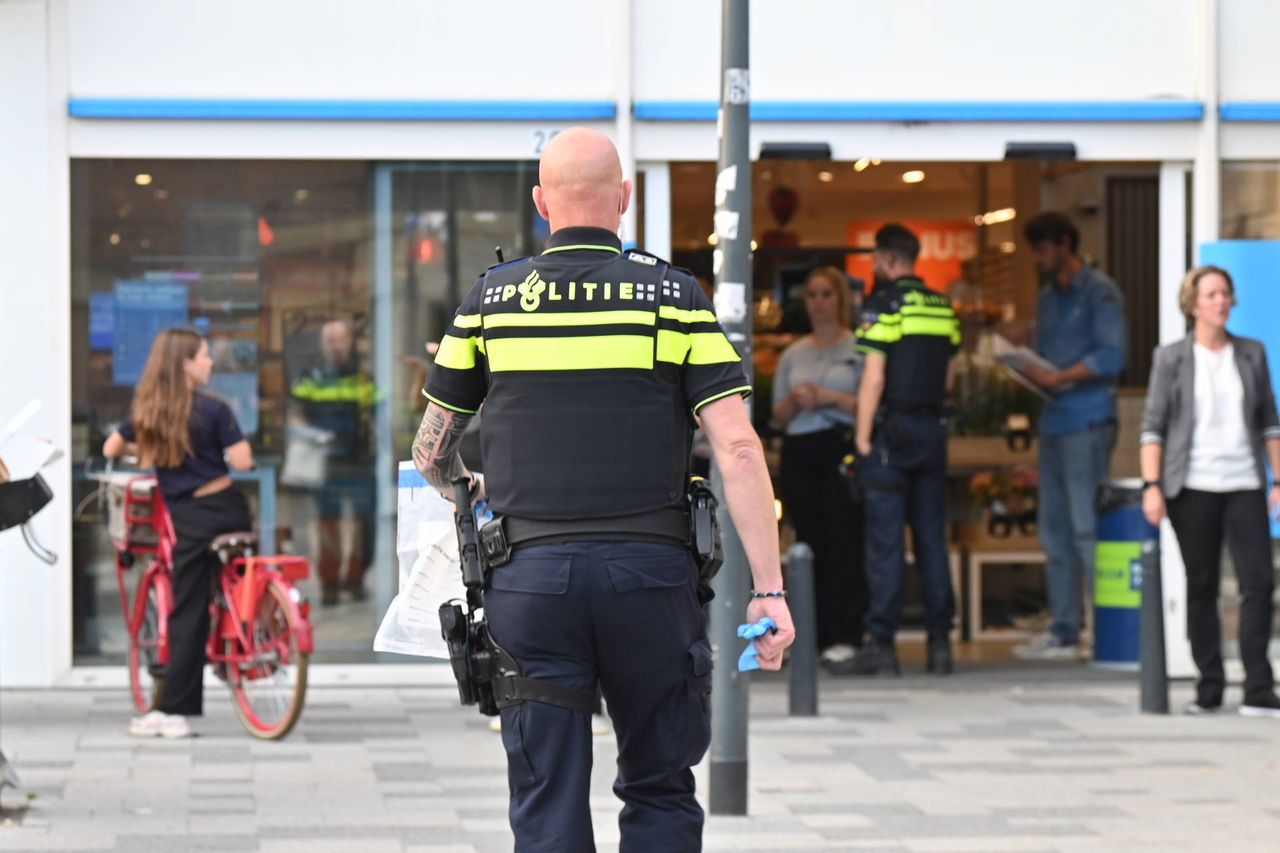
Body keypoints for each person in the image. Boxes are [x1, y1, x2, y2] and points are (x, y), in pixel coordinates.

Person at [412, 126, 794, 851]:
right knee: (660, 785)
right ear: (623, 198)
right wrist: (769, 589)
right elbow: (739, 448)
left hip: (531, 583)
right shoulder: (673, 298)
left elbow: (431, 450)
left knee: (547, 797)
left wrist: (468, 484)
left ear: (540, 203)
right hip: (650, 582)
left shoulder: (491, 303)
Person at [1140, 265, 1280, 717]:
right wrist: (1152, 486)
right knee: (1201, 586)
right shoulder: (1172, 358)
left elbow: (1269, 424)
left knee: (1258, 581)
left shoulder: (1252, 354)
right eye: (1212, 294)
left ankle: (1259, 686)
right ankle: (1210, 685)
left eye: (1226, 294)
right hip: (1192, 486)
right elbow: (1153, 427)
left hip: (1243, 483)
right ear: (1193, 304)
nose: (1221, 301)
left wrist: (1278, 479)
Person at [103, 328, 255, 739]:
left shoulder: (149, 414)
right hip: (231, 510)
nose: (209, 363)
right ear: (185, 363)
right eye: (204, 356)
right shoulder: (215, 409)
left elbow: (111, 449)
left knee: (187, 610)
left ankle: (173, 711)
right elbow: (242, 461)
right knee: (240, 577)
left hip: (189, 519)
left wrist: (146, 451)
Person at [834, 224, 960, 677]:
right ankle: (940, 643)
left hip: (892, 435)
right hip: (933, 434)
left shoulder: (885, 305)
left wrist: (864, 437)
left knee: (885, 546)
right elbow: (948, 378)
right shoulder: (943, 307)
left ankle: (882, 646)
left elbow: (874, 377)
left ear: (888, 259)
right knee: (931, 540)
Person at [1013, 212, 1126, 660]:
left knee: (1085, 527)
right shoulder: (1047, 297)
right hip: (1054, 420)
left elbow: (1113, 355)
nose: (1039, 259)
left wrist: (1059, 377)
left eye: (1042, 249)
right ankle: (1064, 628)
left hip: (1087, 418)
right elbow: (1049, 357)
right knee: (1054, 529)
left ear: (1064, 244)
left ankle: (1105, 627)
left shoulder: (1099, 291)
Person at [772, 266, 866, 665]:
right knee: (808, 542)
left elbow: (872, 407)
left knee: (845, 541)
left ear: (841, 300)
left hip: (841, 447)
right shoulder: (793, 353)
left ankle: (845, 632)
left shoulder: (858, 348)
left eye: (827, 293)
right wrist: (796, 401)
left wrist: (831, 398)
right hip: (800, 450)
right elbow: (777, 416)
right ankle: (808, 633)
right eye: (812, 294)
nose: (819, 302)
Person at [290, 318, 376, 605]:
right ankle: (329, 584)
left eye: (340, 339)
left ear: (350, 342)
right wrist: (311, 435)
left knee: (362, 524)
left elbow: (380, 415)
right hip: (325, 462)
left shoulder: (364, 376)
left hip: (360, 461)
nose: (335, 345)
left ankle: (355, 581)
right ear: (322, 344)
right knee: (328, 523)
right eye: (330, 340)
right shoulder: (310, 376)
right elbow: (296, 413)